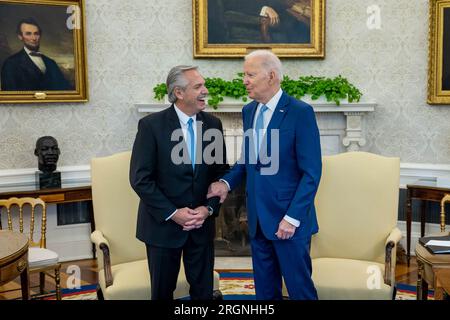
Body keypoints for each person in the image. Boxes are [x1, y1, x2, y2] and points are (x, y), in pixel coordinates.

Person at [207, 50, 322, 300]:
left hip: (289, 221)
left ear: (271, 76)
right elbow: (249, 160)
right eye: (244, 75)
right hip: (258, 220)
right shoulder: (250, 111)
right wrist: (226, 182)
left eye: (250, 74)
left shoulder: (300, 112)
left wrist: (292, 219)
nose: (244, 80)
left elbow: (312, 173)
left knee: (300, 291)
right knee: (265, 294)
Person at [129, 65, 229, 300]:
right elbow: (140, 179)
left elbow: (220, 175)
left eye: (204, 85)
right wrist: (174, 213)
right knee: (163, 293)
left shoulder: (213, 124)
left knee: (203, 295)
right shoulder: (151, 126)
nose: (205, 90)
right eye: (198, 87)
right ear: (179, 93)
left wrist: (208, 209)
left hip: (201, 226)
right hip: (162, 228)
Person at [1, 17, 72, 91]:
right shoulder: (11, 63)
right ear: (20, 37)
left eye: (36, 33)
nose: (34, 38)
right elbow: (10, 96)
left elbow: (65, 90)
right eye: (28, 34)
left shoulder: (51, 63)